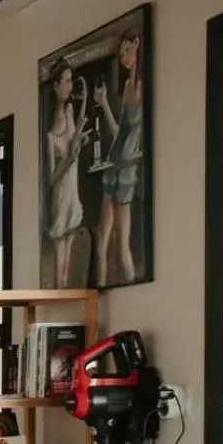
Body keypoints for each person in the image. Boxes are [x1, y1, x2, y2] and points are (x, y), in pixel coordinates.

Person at [93, 27, 144, 286]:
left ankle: (136, 290)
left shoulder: (143, 87)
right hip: (114, 163)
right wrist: (103, 105)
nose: (123, 56)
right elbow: (119, 133)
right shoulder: (126, 85)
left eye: (127, 49)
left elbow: (139, 136)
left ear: (137, 45)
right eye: (120, 52)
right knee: (102, 237)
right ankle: (99, 294)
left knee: (122, 245)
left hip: (126, 170)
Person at [42, 58, 90, 288]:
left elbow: (77, 131)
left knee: (69, 256)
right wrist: (70, 155)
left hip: (72, 190)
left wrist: (86, 100)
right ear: (56, 86)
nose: (70, 86)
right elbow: (51, 178)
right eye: (67, 81)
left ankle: (64, 300)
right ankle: (57, 301)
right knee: (60, 254)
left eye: (71, 81)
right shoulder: (51, 134)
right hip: (61, 194)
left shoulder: (70, 110)